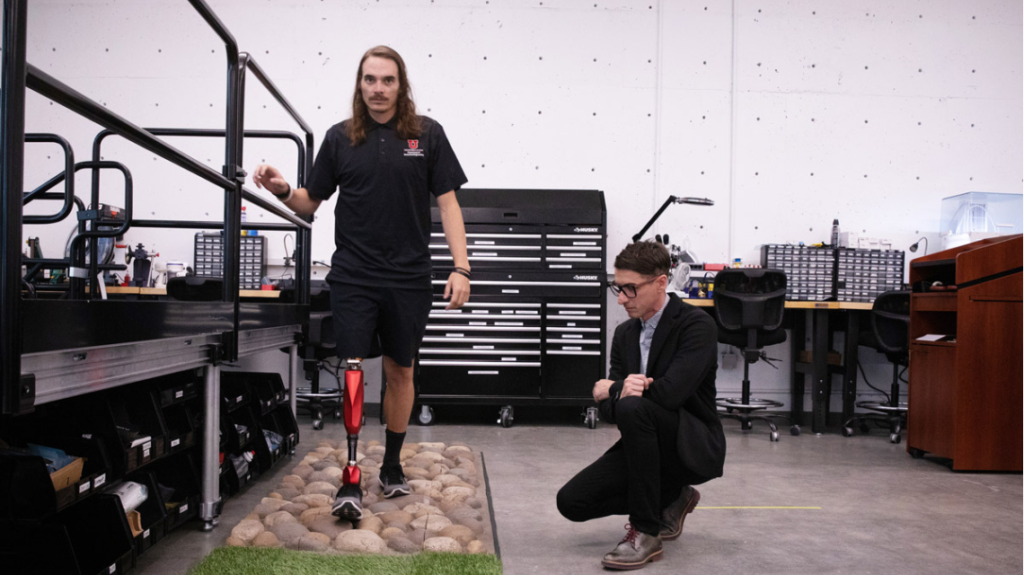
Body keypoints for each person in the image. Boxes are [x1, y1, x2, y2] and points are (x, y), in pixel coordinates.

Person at [252, 45, 470, 519]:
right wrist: (283, 189)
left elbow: (449, 203)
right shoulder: (339, 138)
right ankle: (351, 474)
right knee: (352, 367)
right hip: (354, 274)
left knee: (401, 370)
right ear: (359, 84)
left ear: (401, 85)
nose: (378, 89)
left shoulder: (427, 135)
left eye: (387, 80)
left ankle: (391, 465)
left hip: (409, 277)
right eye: (370, 79)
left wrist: (462, 267)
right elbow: (309, 202)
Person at [556, 240, 725, 570]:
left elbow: (670, 395)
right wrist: (619, 394)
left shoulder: (696, 326)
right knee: (571, 502)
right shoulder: (624, 334)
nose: (621, 299)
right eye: (617, 288)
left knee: (634, 407)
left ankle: (646, 531)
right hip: (642, 443)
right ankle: (672, 496)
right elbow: (610, 412)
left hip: (690, 444)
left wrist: (615, 388)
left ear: (661, 282)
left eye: (630, 289)